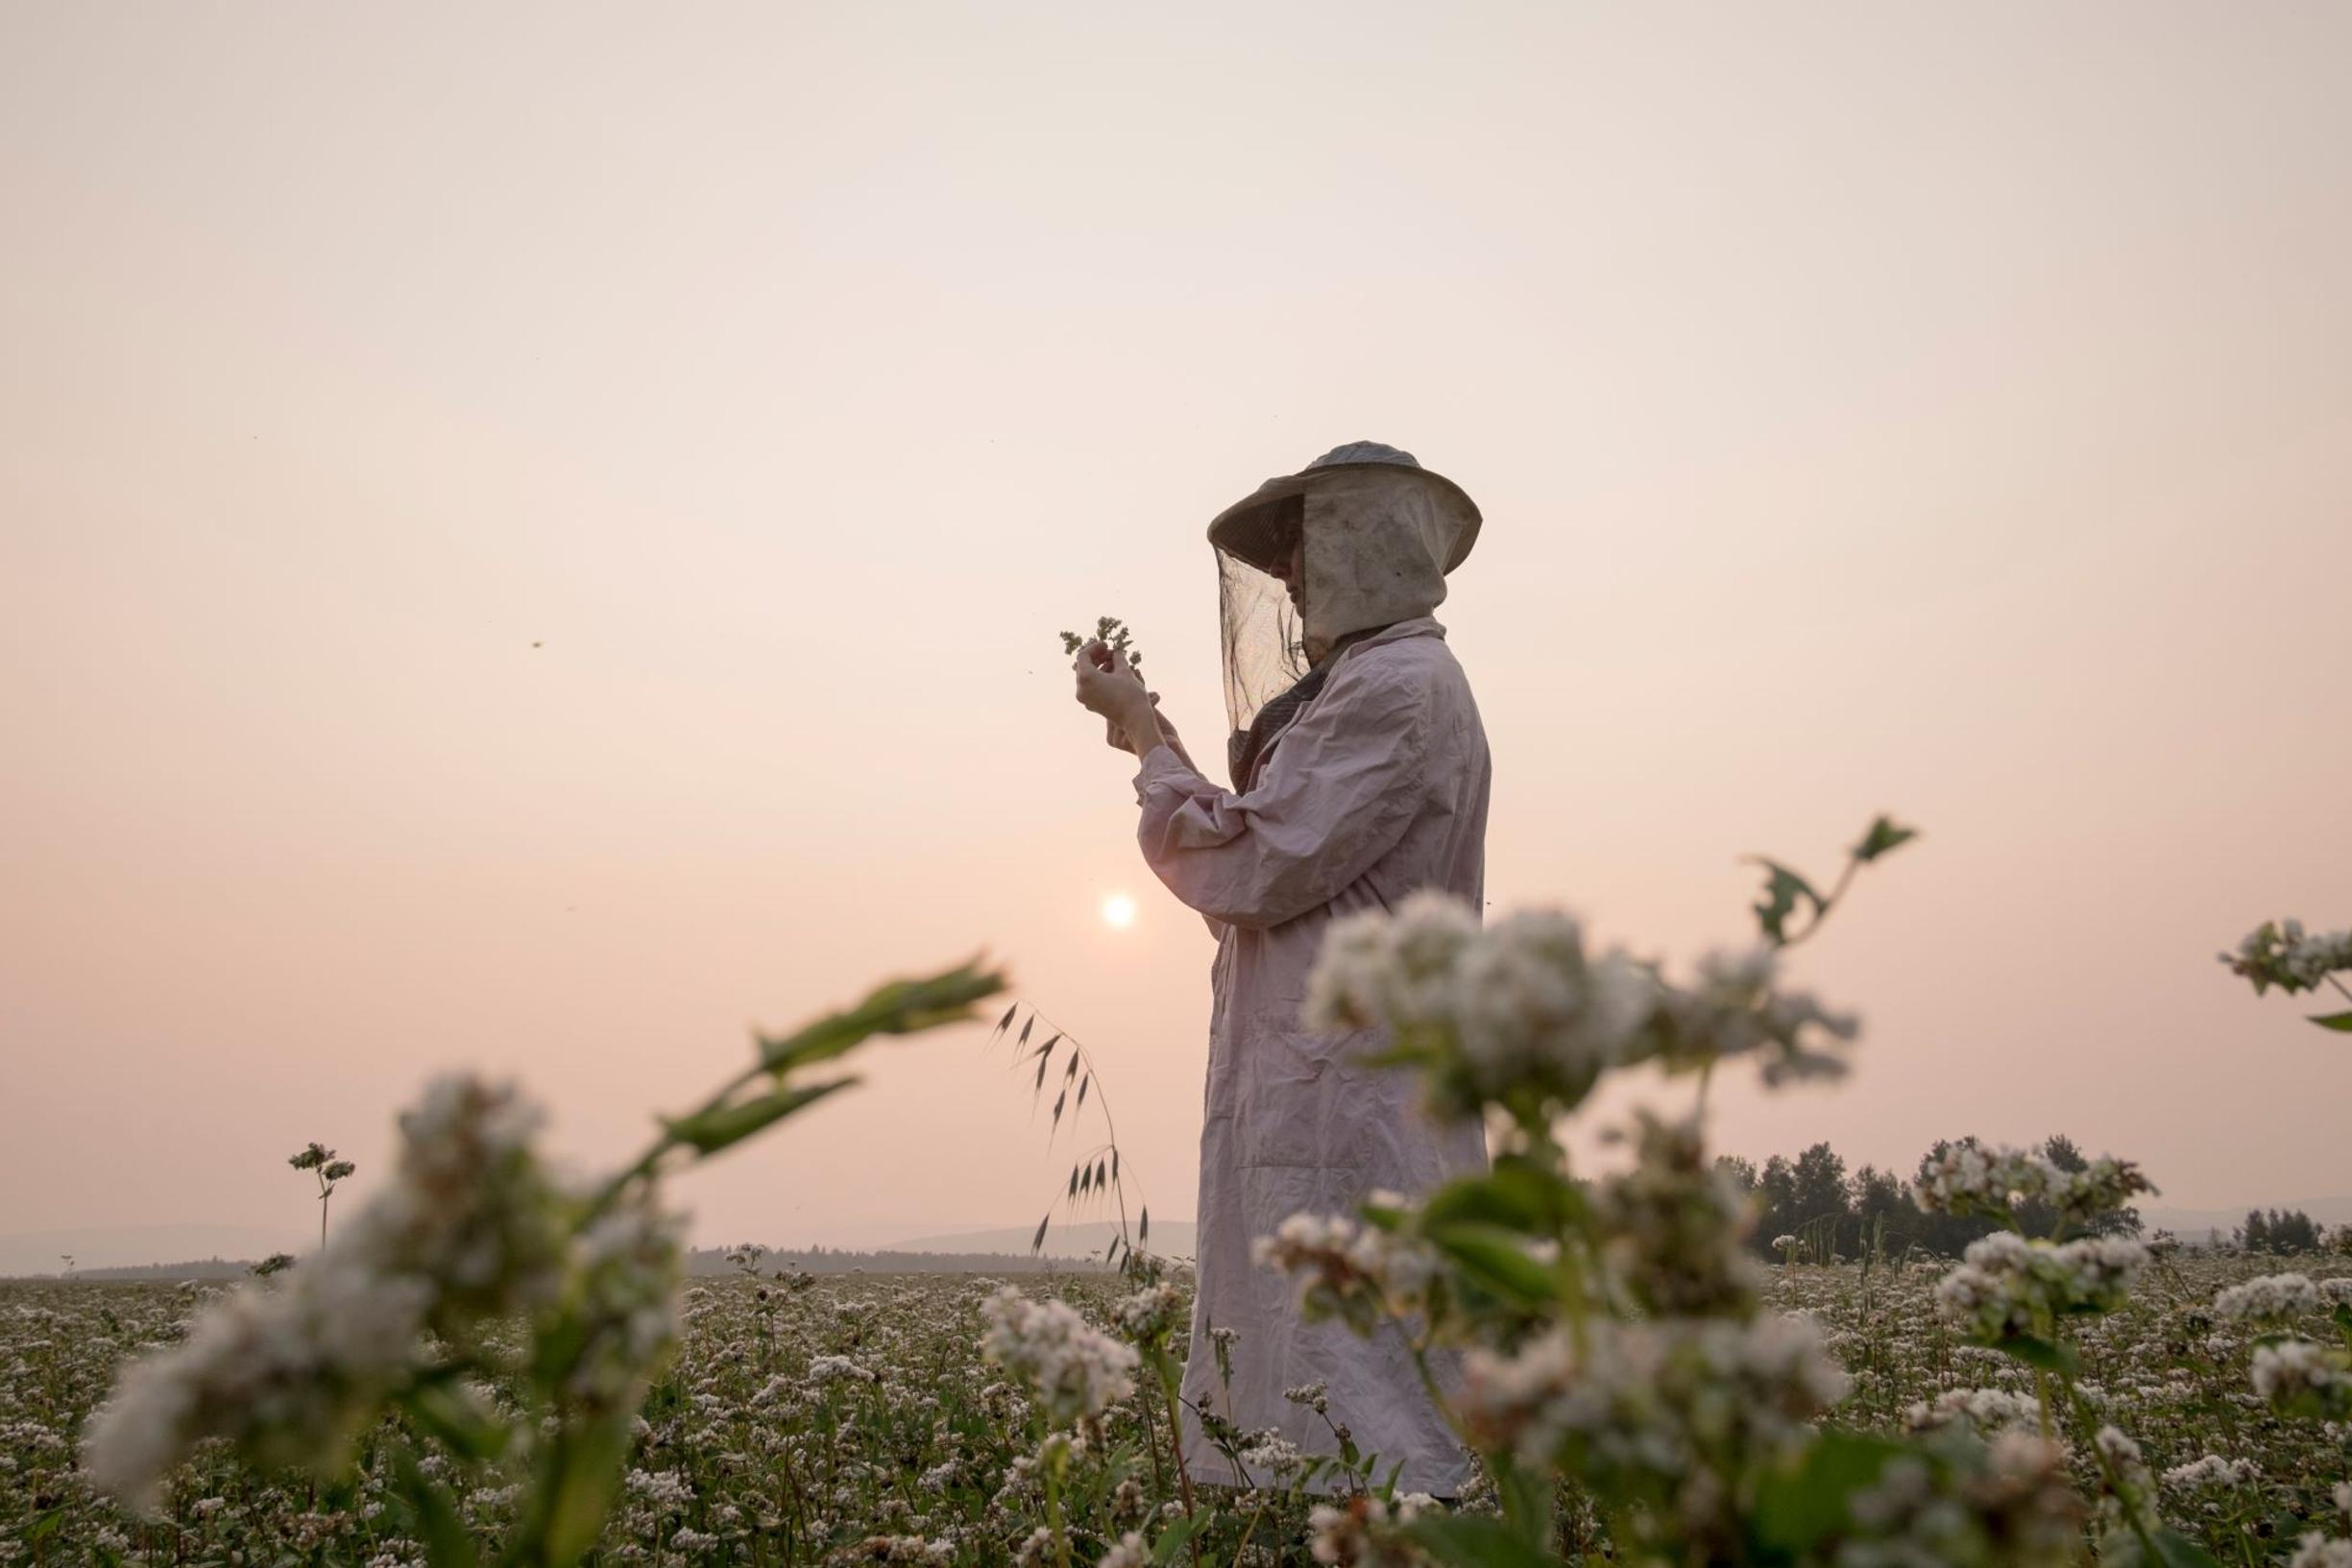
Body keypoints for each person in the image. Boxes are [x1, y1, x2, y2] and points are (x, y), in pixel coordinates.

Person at [1070, 440, 1493, 1498]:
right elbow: (1272, 845)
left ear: (1371, 544)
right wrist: (1148, 733)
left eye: (1308, 547)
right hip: (1332, 1086)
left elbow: (1251, 863)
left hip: (1352, 1098)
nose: (1293, 577)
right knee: (1320, 1374)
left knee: (1364, 1403)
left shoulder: (1397, 686)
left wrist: (1141, 736)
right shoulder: (1377, 685)